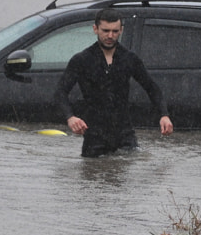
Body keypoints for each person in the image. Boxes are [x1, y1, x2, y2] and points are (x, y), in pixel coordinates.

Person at [54, 9, 173, 157]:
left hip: (124, 134)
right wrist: (70, 117)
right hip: (94, 136)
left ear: (121, 30)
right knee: (92, 176)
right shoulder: (82, 60)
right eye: (105, 31)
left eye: (115, 31)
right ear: (95, 29)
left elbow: (152, 88)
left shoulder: (129, 59)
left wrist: (164, 114)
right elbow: (60, 92)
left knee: (130, 168)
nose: (110, 36)